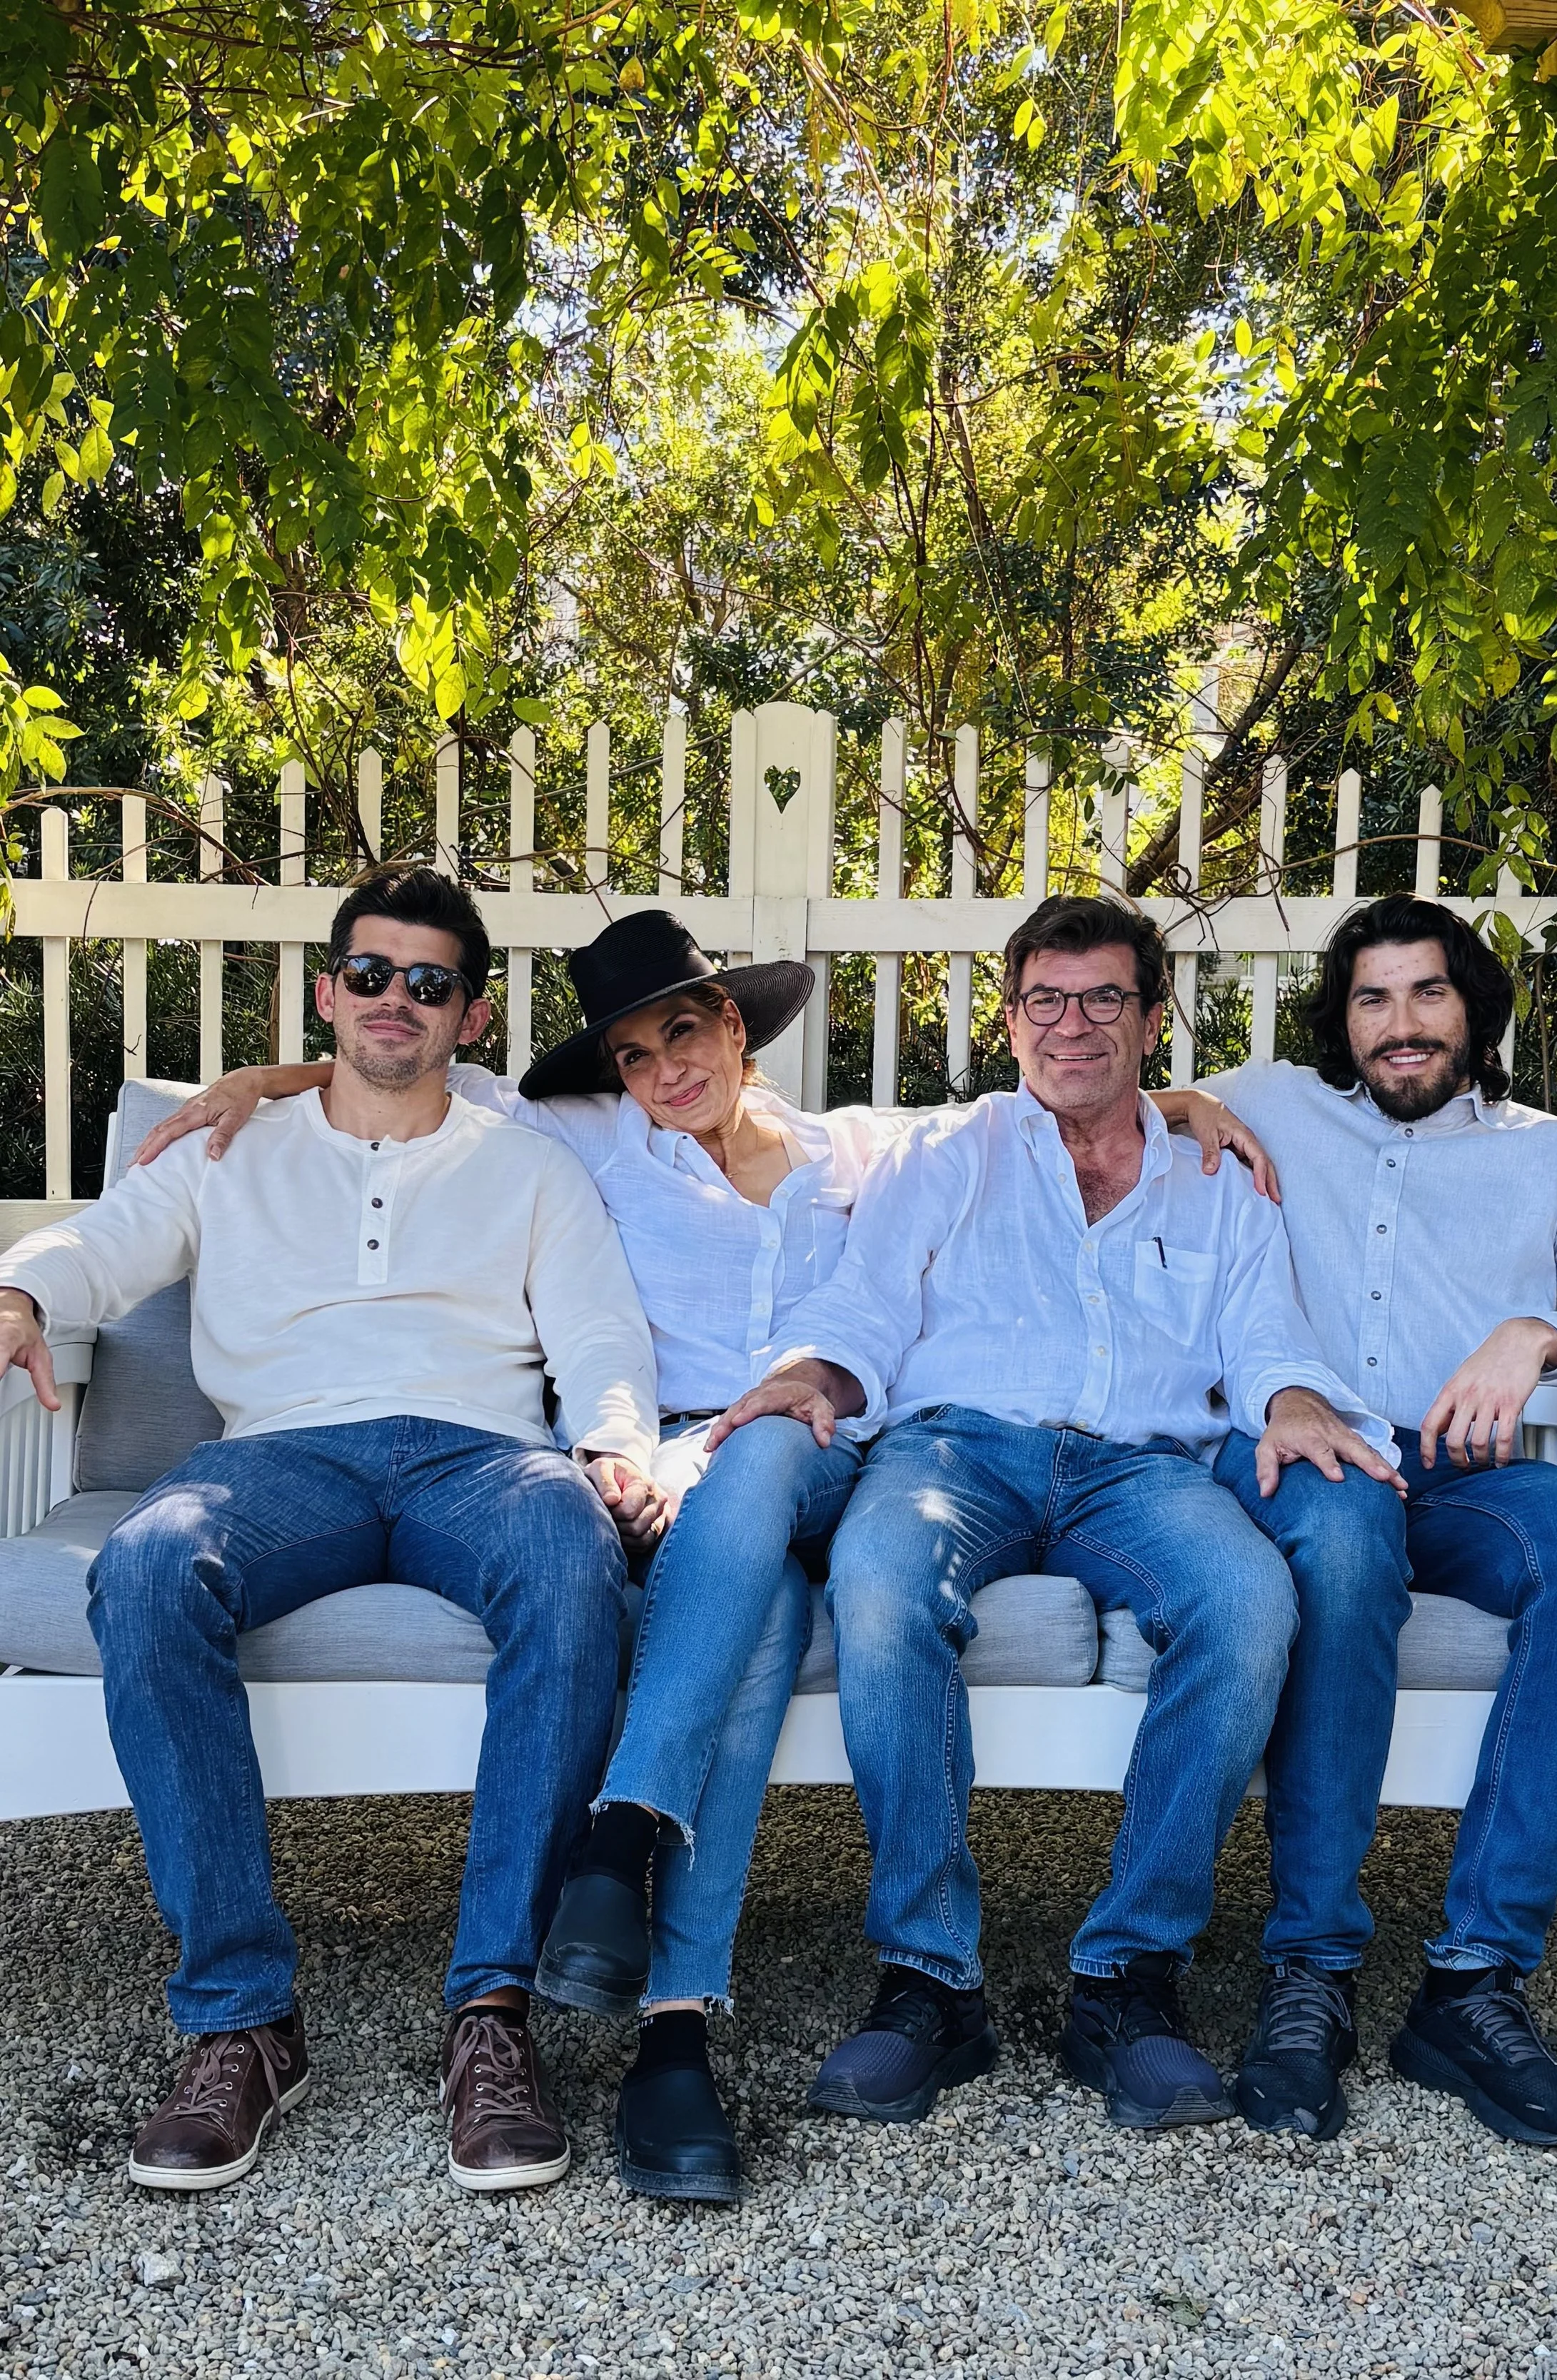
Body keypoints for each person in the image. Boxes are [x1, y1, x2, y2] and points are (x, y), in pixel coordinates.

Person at [138, 905, 1273, 2199]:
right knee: (767, 1629)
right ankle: (674, 2038)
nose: (666, 1070)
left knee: (775, 1451)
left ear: (736, 1025)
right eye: (633, 1054)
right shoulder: (584, 1141)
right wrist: (261, 1080)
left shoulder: (859, 1151)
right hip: (666, 1470)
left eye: (685, 1031)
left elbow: (1056, 1102)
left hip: (817, 1443)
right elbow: (408, 1070)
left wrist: (1171, 1099)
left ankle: (621, 1838)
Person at [0, 869, 658, 2194]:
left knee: (569, 1551)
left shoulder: (528, 1162)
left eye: (429, 983)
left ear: (471, 1016)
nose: (394, 1002)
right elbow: (107, 1247)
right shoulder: (230, 1147)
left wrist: (615, 1442)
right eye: (370, 975)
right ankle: (242, 2018)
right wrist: (20, 1285)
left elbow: (598, 1334)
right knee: (144, 1557)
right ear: (326, 991)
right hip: (277, 1458)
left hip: (476, 1455)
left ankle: (491, 2014)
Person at [708, 893, 1401, 2132]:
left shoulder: (1218, 1176)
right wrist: (813, 1375)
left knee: (1249, 1600)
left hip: (1142, 1466)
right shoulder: (947, 1154)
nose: (1071, 1026)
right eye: (1045, 999)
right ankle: (930, 1978)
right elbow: (868, 1305)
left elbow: (1263, 1335)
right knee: (878, 1582)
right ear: (1011, 1013)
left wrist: (1294, 1398)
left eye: (1102, 1000)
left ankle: (1129, 1979)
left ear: (1150, 1020)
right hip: (957, 1450)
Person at [1196, 894, 1557, 2149]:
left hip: (1471, 1471)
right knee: (1352, 1533)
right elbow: (1096, 1099)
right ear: (1344, 1018)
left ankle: (1474, 1977)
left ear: (1475, 1011)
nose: (1401, 1024)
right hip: (1308, 1449)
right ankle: (1309, 1966)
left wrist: (1540, 1332)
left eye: (1428, 993)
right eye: (1373, 998)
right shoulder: (1270, 1100)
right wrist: (1182, 1105)